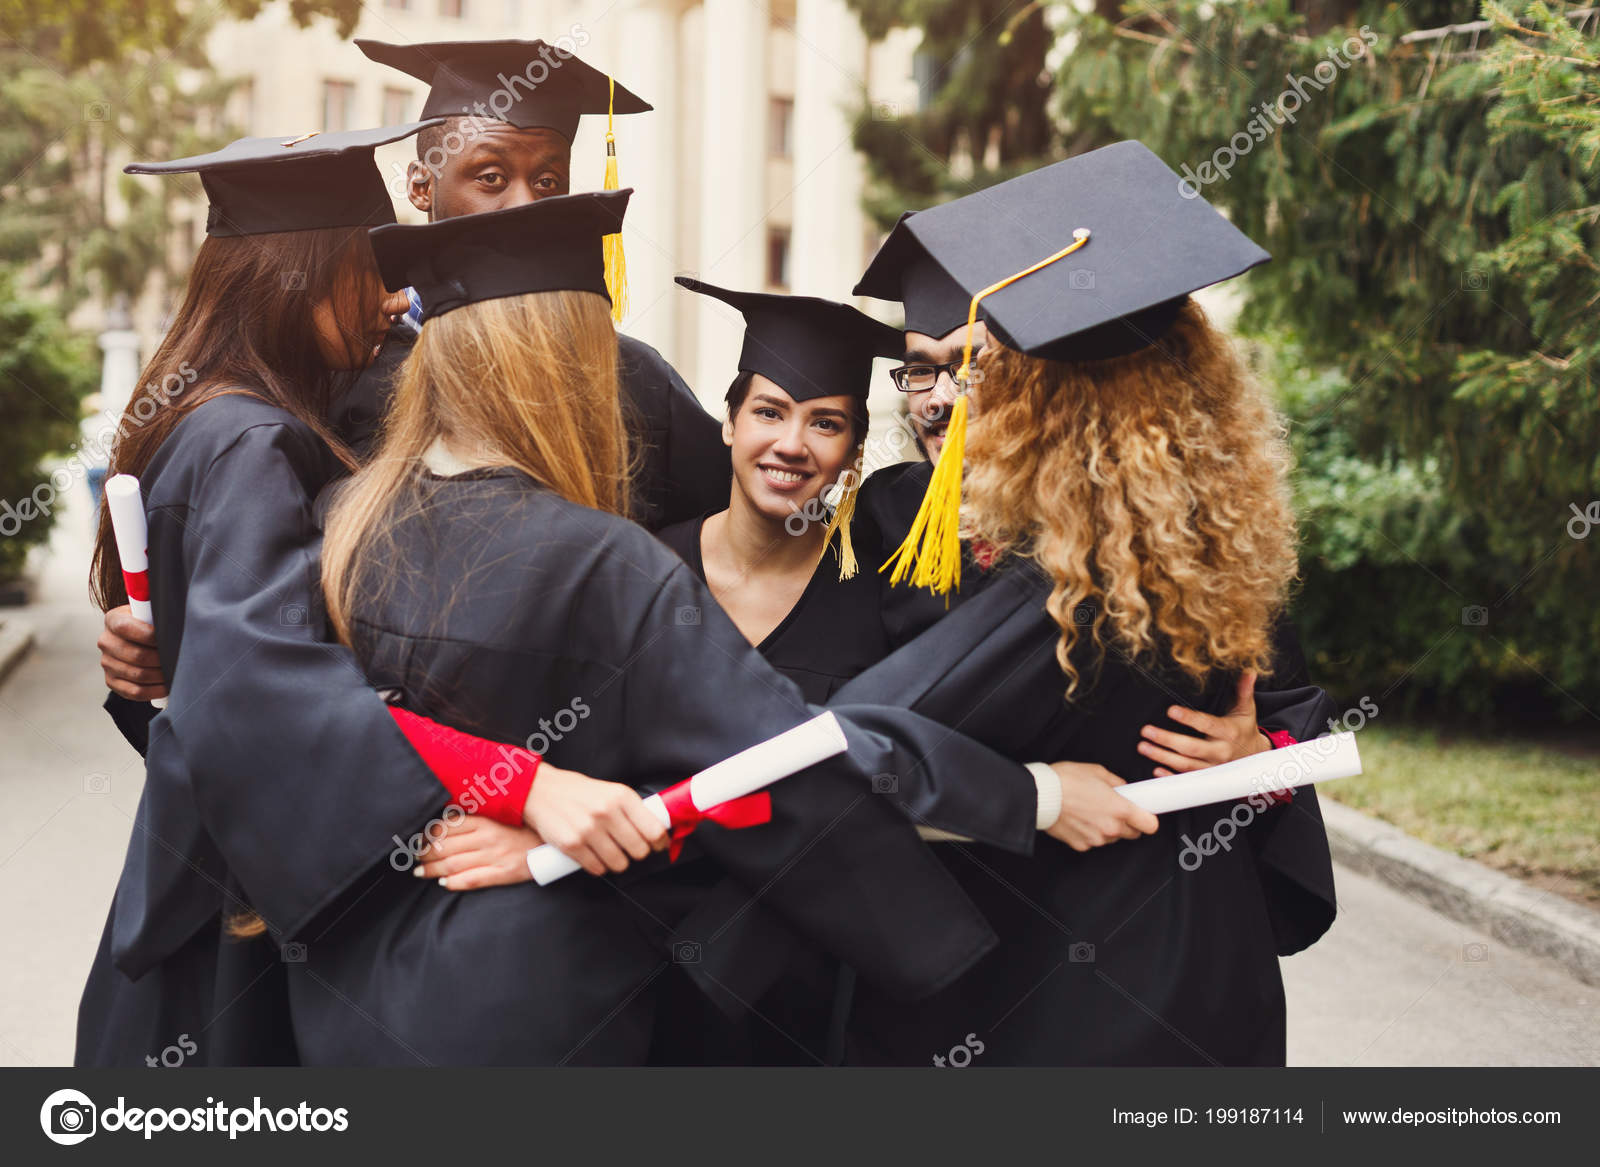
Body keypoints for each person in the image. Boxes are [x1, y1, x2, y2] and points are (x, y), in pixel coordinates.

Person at [296, 190, 1129, 1064]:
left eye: (828, 422)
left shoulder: (341, 523)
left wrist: (519, 792)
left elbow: (264, 718)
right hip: (542, 991)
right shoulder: (608, 563)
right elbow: (778, 766)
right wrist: (1034, 796)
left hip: (355, 989)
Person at [76, 126, 663, 1068]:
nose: (394, 295)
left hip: (212, 883)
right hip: (238, 927)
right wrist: (524, 779)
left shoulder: (204, 416)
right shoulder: (252, 443)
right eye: (369, 267)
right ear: (301, 278)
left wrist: (163, 668)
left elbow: (202, 693)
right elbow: (261, 695)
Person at [835, 141, 1339, 1065]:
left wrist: (1258, 759)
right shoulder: (1204, 542)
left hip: (1060, 985)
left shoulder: (1078, 580)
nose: (950, 397)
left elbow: (843, 750)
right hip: (1197, 976)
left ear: (1042, 396)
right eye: (923, 370)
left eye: (983, 368)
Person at [97, 36, 732, 707]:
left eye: (548, 181)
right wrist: (161, 638)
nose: (523, 206)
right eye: (490, 178)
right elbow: (260, 633)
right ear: (421, 186)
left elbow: (734, 542)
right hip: (391, 759)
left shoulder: (629, 376)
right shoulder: (330, 382)